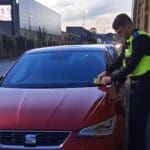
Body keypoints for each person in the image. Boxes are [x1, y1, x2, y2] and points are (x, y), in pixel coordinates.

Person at [98, 13, 150, 150]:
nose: (120, 35)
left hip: (145, 86)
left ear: (128, 26)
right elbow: (121, 58)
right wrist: (107, 71)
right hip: (135, 86)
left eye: (120, 32)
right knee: (132, 123)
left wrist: (112, 78)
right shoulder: (130, 40)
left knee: (138, 125)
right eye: (118, 33)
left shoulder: (142, 39)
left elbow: (131, 65)